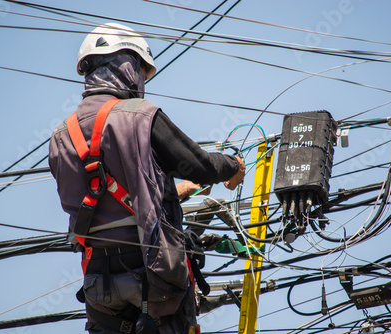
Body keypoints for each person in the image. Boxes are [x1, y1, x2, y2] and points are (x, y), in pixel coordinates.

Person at [49, 23, 245, 333]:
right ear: (125, 65)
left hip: (99, 284)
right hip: (153, 275)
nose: (141, 78)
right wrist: (233, 165)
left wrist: (171, 191)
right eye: (140, 68)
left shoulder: (60, 137)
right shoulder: (139, 114)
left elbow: (104, 192)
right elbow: (198, 165)